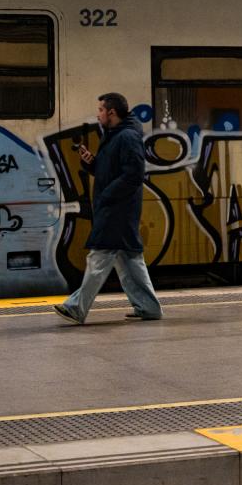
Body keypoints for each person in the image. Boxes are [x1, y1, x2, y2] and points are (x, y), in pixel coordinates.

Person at [54, 92, 164, 324]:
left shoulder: (126, 137)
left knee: (99, 257)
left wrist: (107, 195)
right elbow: (113, 170)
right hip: (118, 208)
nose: (98, 114)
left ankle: (76, 307)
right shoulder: (116, 135)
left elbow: (134, 174)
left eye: (101, 110)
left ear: (111, 112)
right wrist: (92, 163)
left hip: (117, 210)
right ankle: (149, 307)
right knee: (130, 262)